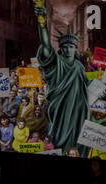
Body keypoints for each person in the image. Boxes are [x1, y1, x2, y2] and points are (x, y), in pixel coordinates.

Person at [33, 4, 89, 157]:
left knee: (77, 136)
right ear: (61, 49)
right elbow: (45, 46)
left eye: (71, 46)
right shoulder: (57, 63)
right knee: (59, 135)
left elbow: (86, 84)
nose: (68, 50)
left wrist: (99, 89)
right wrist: (42, 24)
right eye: (65, 47)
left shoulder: (79, 66)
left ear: (75, 48)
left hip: (78, 108)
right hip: (61, 107)